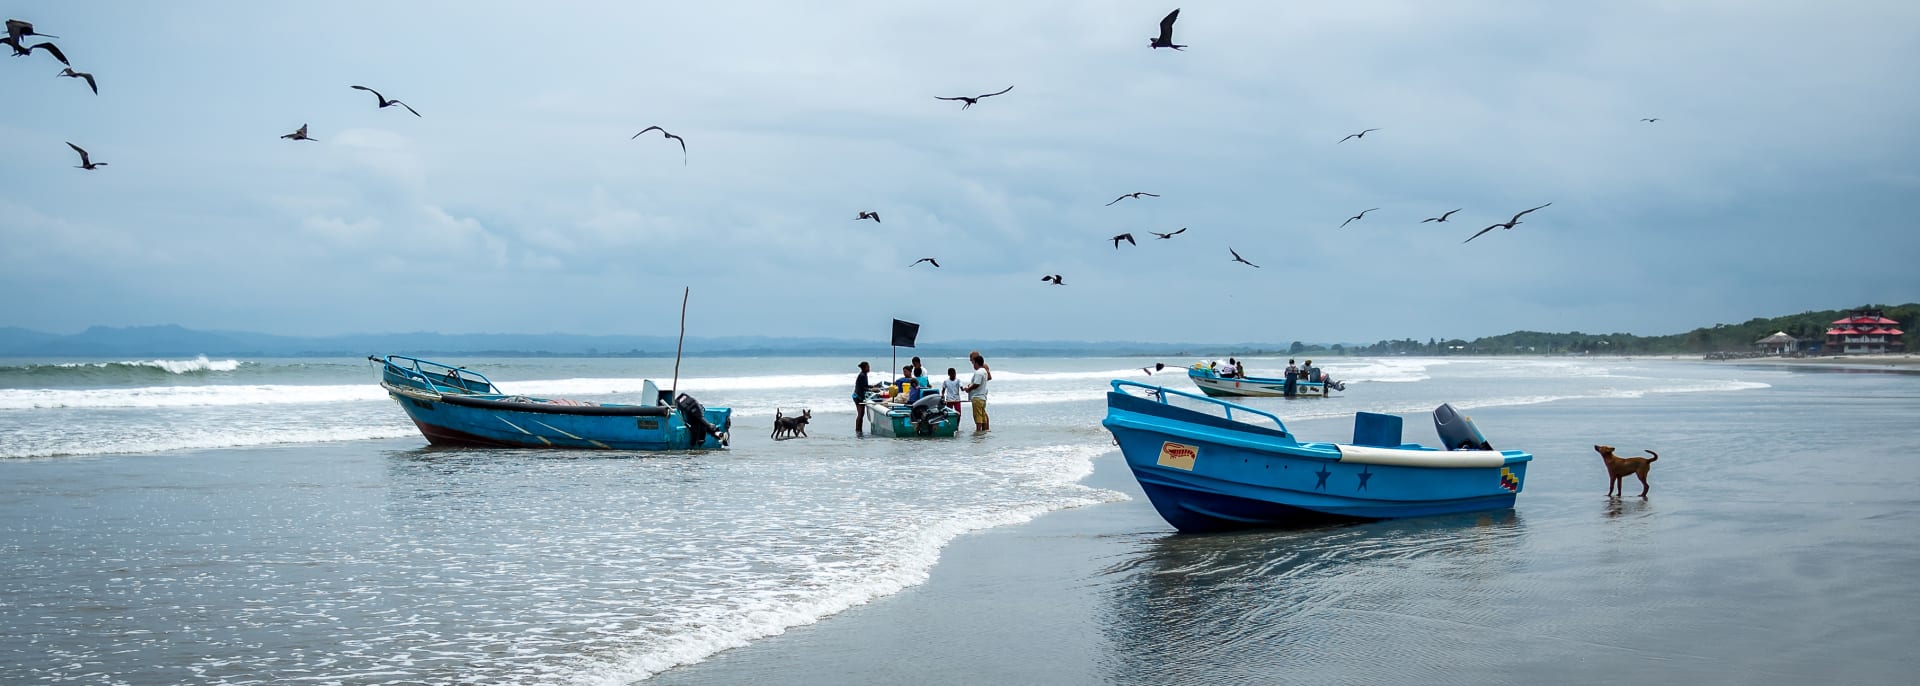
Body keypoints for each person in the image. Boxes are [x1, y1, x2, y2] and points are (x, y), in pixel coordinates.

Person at [964, 351, 991, 432]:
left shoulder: (982, 368)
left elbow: (988, 377)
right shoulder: (980, 370)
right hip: (981, 393)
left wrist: (973, 386)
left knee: (981, 414)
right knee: (982, 413)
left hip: (980, 394)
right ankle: (984, 430)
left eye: (971, 359)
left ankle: (983, 429)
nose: (970, 361)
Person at [853, 361, 873, 435]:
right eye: (868, 367)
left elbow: (865, 386)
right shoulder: (862, 375)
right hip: (858, 397)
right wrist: (871, 389)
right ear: (864, 368)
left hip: (859, 396)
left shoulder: (864, 375)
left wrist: (871, 386)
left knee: (861, 414)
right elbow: (862, 387)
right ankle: (858, 430)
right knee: (860, 414)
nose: (869, 368)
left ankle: (859, 430)